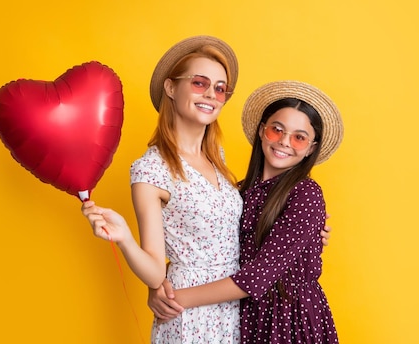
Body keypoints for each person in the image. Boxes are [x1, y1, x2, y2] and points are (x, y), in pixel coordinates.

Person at [81, 36, 331, 343]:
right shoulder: (152, 169)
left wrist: (310, 233)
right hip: (192, 309)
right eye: (199, 83)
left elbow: (245, 230)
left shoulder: (218, 160)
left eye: (219, 88)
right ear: (171, 88)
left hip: (239, 309)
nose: (211, 94)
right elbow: (156, 268)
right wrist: (127, 243)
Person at [148, 80, 343, 343]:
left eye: (299, 137)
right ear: (262, 131)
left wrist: (173, 299)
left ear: (310, 148)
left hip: (289, 320)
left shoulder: (305, 194)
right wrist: (161, 283)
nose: (285, 142)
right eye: (277, 130)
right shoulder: (237, 193)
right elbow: (203, 244)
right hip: (246, 314)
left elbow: (258, 276)